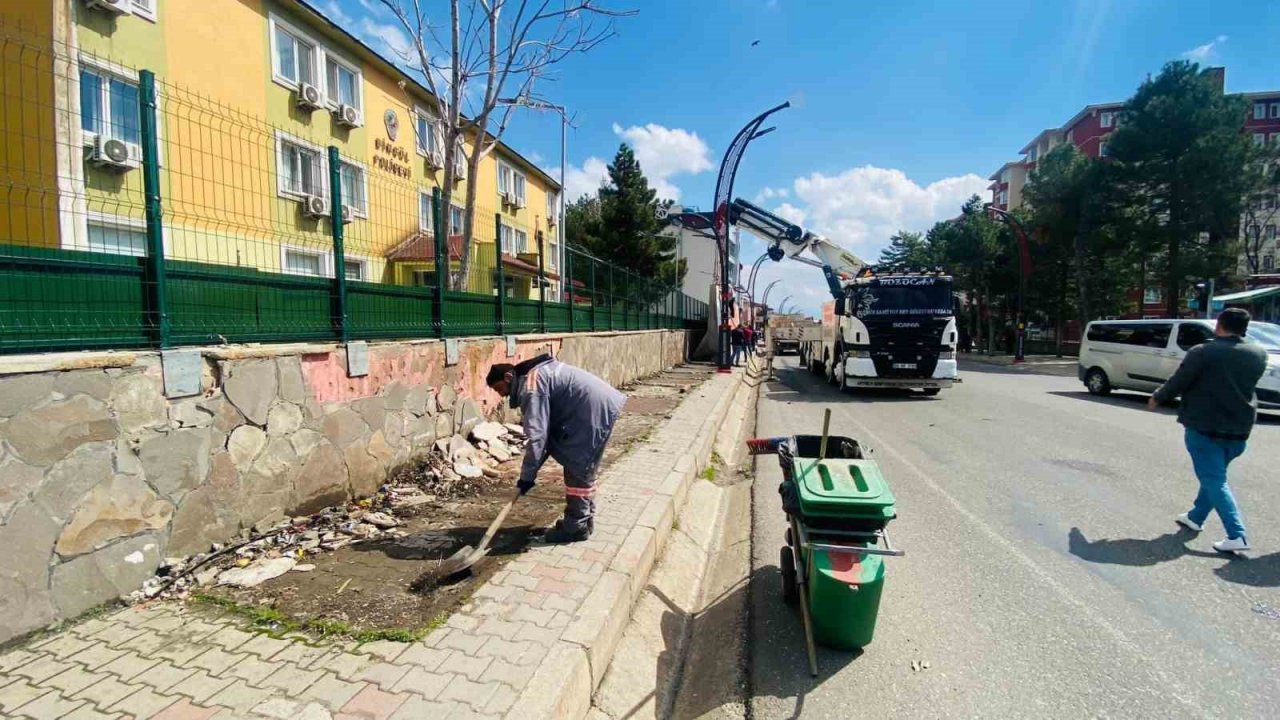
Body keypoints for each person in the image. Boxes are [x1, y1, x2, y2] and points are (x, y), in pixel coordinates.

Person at [1149, 308, 1267, 554]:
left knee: (1214, 479)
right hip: (1240, 428)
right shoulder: (1258, 353)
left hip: (1205, 425)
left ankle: (1237, 534)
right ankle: (1196, 517)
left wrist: (1158, 397)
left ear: (1219, 325)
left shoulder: (1203, 352)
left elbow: (1180, 380)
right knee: (1213, 475)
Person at [486, 354, 626, 543]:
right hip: (593, 407)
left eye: (499, 388)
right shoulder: (537, 375)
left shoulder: (532, 387)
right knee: (580, 468)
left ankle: (576, 527)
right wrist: (533, 466)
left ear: (509, 378)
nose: (501, 395)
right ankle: (583, 520)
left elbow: (537, 437)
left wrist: (527, 476)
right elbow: (545, 432)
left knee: (577, 467)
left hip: (590, 411)